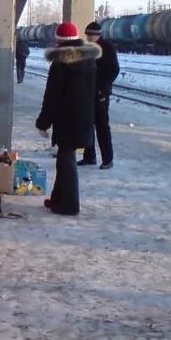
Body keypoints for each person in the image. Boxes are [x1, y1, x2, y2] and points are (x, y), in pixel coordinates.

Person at [35, 21, 100, 216]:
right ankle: (57, 199)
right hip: (84, 116)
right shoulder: (89, 60)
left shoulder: (61, 62)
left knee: (66, 162)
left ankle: (70, 205)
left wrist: (43, 122)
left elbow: (52, 96)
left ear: (59, 40)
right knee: (65, 159)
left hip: (67, 118)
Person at [79, 21, 120, 169]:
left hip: (100, 93)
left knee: (102, 125)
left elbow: (114, 70)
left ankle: (108, 159)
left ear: (97, 35)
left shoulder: (107, 48)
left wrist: (103, 88)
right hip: (88, 92)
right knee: (88, 124)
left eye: (90, 35)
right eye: (87, 34)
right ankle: (89, 156)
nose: (88, 37)